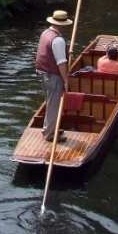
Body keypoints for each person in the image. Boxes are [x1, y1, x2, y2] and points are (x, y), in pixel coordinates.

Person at [34, 9, 72, 142]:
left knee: (50, 103)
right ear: (62, 25)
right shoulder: (58, 40)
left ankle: (51, 128)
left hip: (42, 73)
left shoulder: (45, 33)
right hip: (53, 76)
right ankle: (49, 134)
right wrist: (66, 80)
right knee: (53, 105)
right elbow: (61, 63)